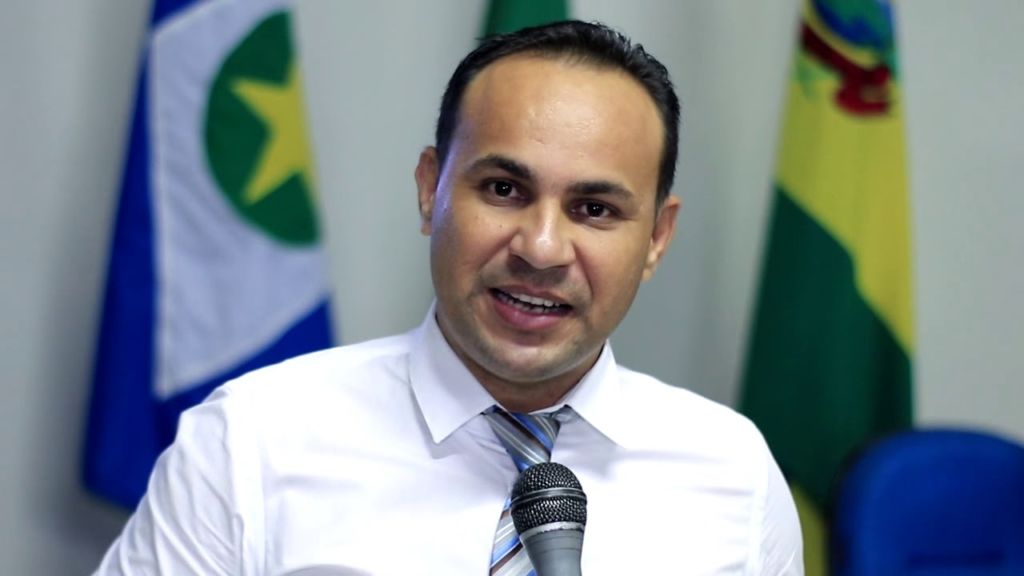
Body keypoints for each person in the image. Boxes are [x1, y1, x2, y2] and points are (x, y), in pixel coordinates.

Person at [94, 20, 803, 575]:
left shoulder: (734, 476)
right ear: (430, 188)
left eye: (593, 209)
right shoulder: (249, 443)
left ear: (656, 237)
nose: (541, 249)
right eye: (504, 189)